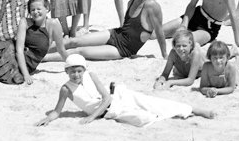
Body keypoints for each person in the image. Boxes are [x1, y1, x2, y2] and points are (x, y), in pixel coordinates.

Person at [37, 52, 213, 127]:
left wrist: (91, 117)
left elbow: (106, 98)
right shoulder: (66, 89)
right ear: (66, 72)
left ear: (83, 70)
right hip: (110, 112)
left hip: (116, 98)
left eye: (78, 71)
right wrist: (48, 119)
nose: (76, 74)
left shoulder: (91, 75)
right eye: (72, 71)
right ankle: (184, 113)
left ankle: (193, 109)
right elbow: (57, 111)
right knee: (145, 118)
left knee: (151, 103)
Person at [64, 0, 169, 62]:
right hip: (116, 34)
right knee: (74, 41)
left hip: (123, 49)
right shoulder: (131, 3)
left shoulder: (151, 5)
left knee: (79, 51)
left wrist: (164, 55)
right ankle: (52, 46)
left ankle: (52, 56)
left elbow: (159, 31)